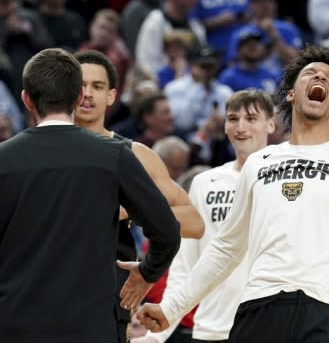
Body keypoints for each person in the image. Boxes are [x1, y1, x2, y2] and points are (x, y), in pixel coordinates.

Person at [136, 45, 329, 342]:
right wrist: (171, 308)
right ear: (290, 93)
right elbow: (225, 248)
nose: (320, 78)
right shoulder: (260, 162)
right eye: (310, 73)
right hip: (259, 305)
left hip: (324, 306)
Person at [0, 48, 180, 341]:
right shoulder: (114, 155)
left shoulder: (3, 160)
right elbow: (168, 232)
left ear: (26, 99)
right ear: (79, 97)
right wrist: (147, 272)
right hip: (91, 327)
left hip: (14, 325)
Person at [73, 49, 204, 342]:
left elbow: (194, 222)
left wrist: (131, 207)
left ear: (112, 96)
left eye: (97, 86)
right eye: (81, 85)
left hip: (109, 296)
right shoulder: (45, 148)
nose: (88, 94)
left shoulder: (135, 154)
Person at [133, 89, 276, 343]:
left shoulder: (284, 180)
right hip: (211, 327)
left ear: (271, 124)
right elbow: (185, 265)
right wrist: (159, 334)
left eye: (251, 118)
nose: (241, 127)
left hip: (267, 326)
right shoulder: (205, 182)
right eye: (233, 119)